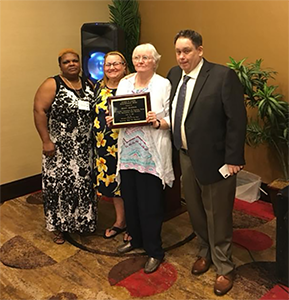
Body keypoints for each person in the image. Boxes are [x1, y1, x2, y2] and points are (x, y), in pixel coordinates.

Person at [167, 30, 247, 296]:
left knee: (218, 214)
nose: (181, 57)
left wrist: (234, 159)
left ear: (200, 50)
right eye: (178, 51)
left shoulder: (222, 76)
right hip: (186, 157)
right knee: (196, 210)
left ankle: (224, 266)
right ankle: (205, 251)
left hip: (216, 160)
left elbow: (237, 120)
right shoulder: (174, 75)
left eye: (187, 51)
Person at [106, 43, 174, 274]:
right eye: (136, 57)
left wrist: (157, 121)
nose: (140, 61)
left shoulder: (163, 84)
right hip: (127, 152)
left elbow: (173, 118)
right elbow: (118, 111)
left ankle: (155, 251)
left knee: (150, 204)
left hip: (150, 153)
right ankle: (135, 240)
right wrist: (111, 119)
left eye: (146, 57)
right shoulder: (125, 82)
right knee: (131, 199)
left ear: (155, 61)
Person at [33, 48, 97, 244]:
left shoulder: (88, 83)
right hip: (59, 149)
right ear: (60, 65)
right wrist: (46, 140)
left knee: (83, 185)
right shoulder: (52, 84)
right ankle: (59, 227)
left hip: (85, 149)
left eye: (75, 61)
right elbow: (39, 110)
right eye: (66, 62)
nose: (71, 64)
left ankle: (82, 223)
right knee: (60, 187)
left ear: (80, 63)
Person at [93, 51, 129, 240]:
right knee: (114, 185)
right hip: (103, 146)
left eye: (117, 64)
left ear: (124, 66)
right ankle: (120, 221)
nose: (112, 67)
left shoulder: (131, 86)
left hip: (127, 144)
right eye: (108, 64)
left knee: (129, 184)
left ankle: (134, 223)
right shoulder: (97, 87)